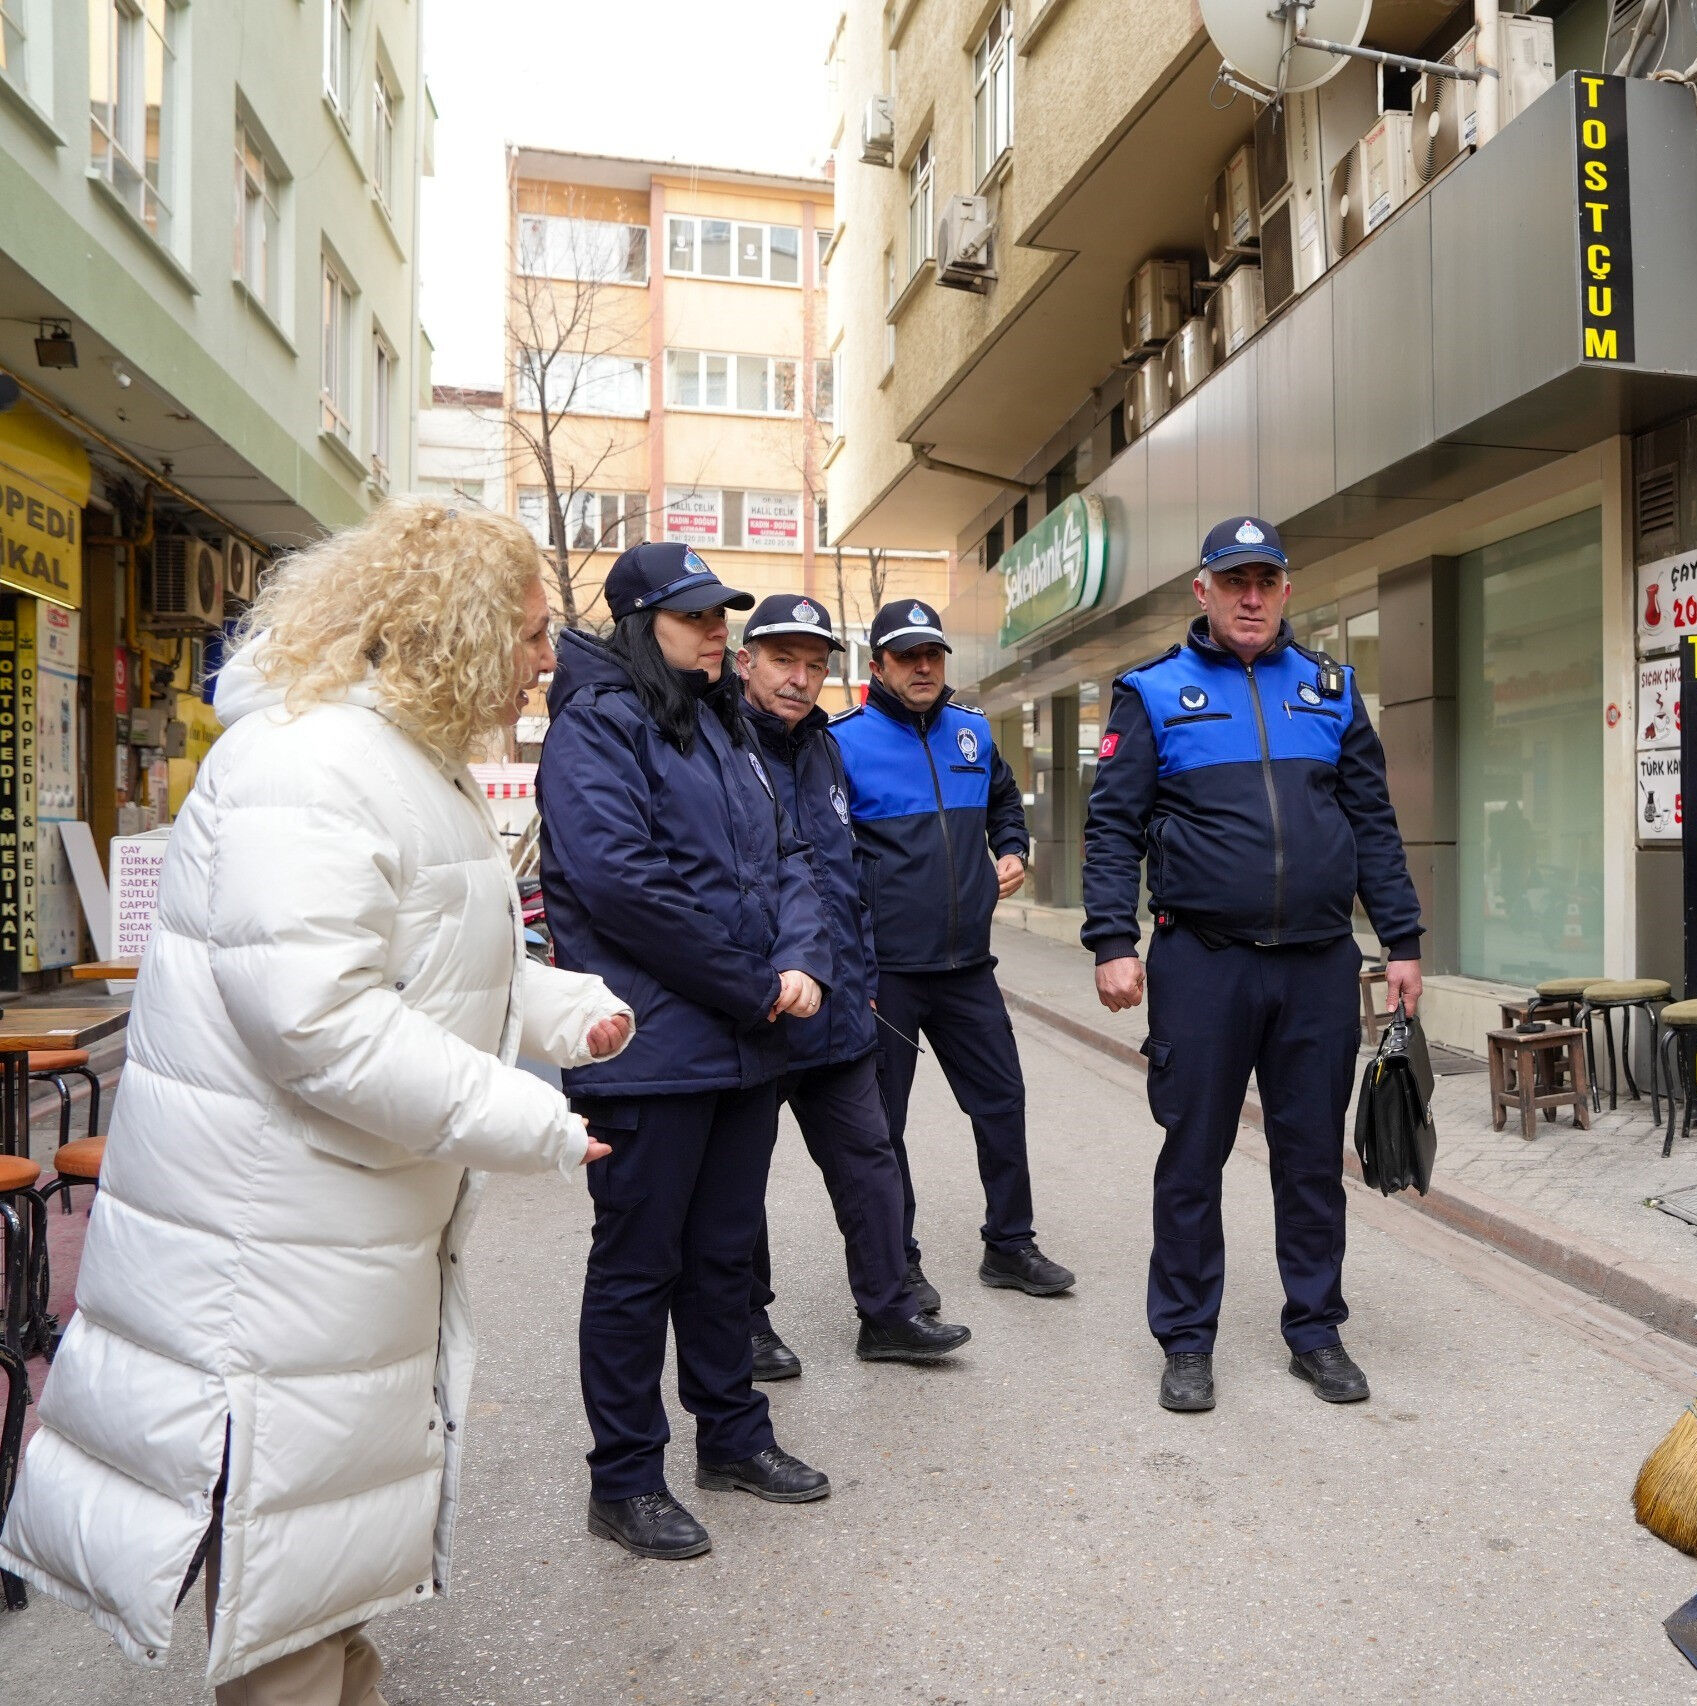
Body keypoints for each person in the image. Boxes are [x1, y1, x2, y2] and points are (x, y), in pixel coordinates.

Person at [0, 500, 632, 1702]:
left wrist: (560, 1010)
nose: (551, 657)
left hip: (334, 1241)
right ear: (454, 627)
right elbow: (320, 1025)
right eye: (534, 630)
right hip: (271, 1253)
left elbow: (424, 958)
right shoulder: (312, 764)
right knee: (287, 1591)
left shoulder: (394, 762)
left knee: (325, 1573)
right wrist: (532, 1121)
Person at [1081, 516, 1424, 1412]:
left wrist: (1403, 941)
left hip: (1316, 965)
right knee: (1193, 1155)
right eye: (1233, 581)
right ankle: (1186, 1340)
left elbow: (1373, 826)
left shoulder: (1331, 691)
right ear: (1202, 591)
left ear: (1285, 589)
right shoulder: (1152, 694)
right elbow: (1112, 829)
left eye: (1265, 581)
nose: (1250, 597)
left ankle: (1316, 1330)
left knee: (1310, 1159)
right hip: (1203, 962)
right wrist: (1112, 943)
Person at [541, 542, 834, 1562]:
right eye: (695, 617)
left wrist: (802, 955)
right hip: (650, 1048)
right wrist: (756, 985)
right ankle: (624, 1477)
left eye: (722, 616)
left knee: (721, 1260)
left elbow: (790, 855)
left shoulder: (722, 725)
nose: (719, 631)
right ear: (638, 624)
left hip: (743, 1046)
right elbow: (622, 888)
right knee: (637, 1267)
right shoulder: (598, 726)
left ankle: (732, 1437)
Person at [732, 594, 970, 1373]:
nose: (800, 679)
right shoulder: (720, 744)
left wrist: (861, 976)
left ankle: (889, 1313)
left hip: (837, 1006)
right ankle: (746, 1324)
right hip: (757, 1008)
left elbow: (847, 877)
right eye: (782, 661)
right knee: (740, 1183)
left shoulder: (824, 749)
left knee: (871, 1163)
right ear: (746, 662)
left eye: (814, 664)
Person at [833, 599, 1074, 1311]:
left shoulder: (972, 733)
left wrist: (1013, 849)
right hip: (890, 975)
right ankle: (897, 1260)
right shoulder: (841, 742)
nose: (923, 666)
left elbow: (1005, 805)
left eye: (932, 654)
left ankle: (1010, 1244)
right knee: (883, 1128)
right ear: (876, 666)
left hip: (968, 966)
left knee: (1003, 1103)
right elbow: (825, 855)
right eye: (907, 656)